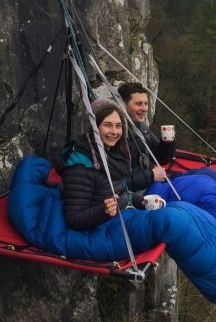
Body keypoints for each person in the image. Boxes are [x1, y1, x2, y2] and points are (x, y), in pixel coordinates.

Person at [60, 98, 165, 230]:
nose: (114, 132)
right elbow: (73, 219)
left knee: (179, 211)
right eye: (107, 125)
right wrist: (104, 210)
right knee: (170, 221)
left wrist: (139, 201)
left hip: (120, 218)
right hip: (101, 229)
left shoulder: (111, 156)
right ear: (93, 127)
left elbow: (119, 193)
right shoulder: (80, 167)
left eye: (118, 125)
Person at [117, 81, 176, 171]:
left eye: (146, 103)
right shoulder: (116, 132)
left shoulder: (142, 126)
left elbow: (160, 158)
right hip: (145, 183)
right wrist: (151, 176)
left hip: (150, 179)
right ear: (123, 105)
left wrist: (167, 144)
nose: (144, 109)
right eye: (139, 104)